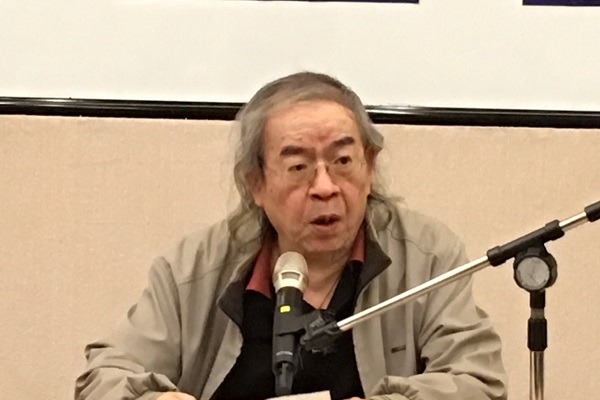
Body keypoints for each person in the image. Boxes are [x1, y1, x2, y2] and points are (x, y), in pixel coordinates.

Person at [75, 72, 507, 400]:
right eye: (298, 167)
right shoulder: (193, 269)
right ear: (256, 183)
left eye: (343, 161)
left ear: (370, 165)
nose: (325, 187)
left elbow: (477, 382)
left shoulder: (427, 258)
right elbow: (103, 378)